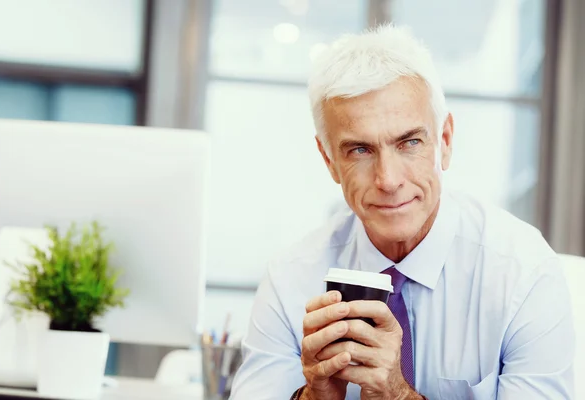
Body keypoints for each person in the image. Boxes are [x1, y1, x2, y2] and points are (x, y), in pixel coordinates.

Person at [229, 24, 575, 400]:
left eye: (409, 142)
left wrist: (397, 394)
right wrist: (314, 396)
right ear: (328, 160)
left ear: (444, 141)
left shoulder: (523, 272)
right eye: (359, 150)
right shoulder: (290, 280)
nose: (388, 180)